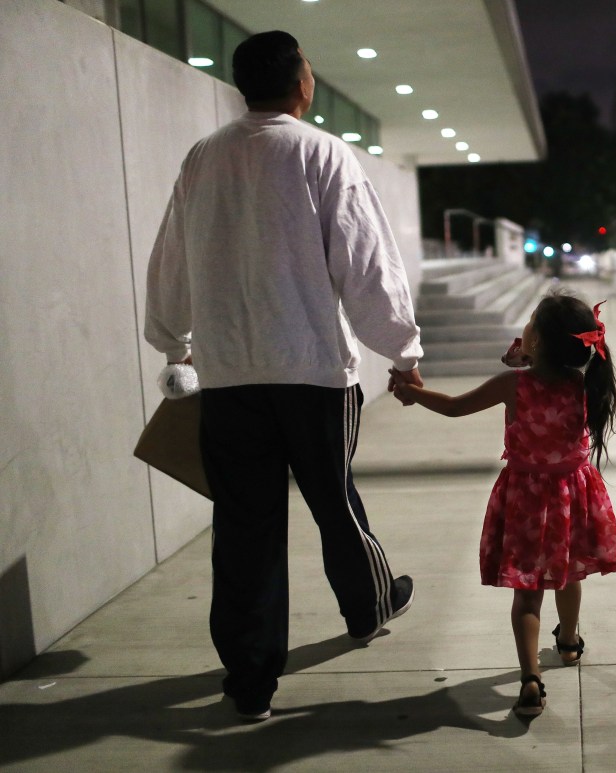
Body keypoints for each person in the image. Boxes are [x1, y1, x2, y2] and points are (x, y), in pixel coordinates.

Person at [144, 30, 423, 722]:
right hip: (314, 374)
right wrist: (403, 350)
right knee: (335, 501)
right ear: (301, 83)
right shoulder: (323, 151)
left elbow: (172, 257)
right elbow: (365, 262)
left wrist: (172, 338)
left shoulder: (203, 158)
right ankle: (368, 606)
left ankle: (249, 682)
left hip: (230, 376)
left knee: (244, 528)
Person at [392, 291, 616, 717]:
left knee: (528, 593)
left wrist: (414, 393)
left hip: (526, 499)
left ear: (537, 339)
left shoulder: (513, 386)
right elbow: (553, 366)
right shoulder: (585, 383)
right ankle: (569, 643)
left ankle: (530, 680)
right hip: (572, 493)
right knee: (569, 572)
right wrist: (532, 355)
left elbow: (456, 406)